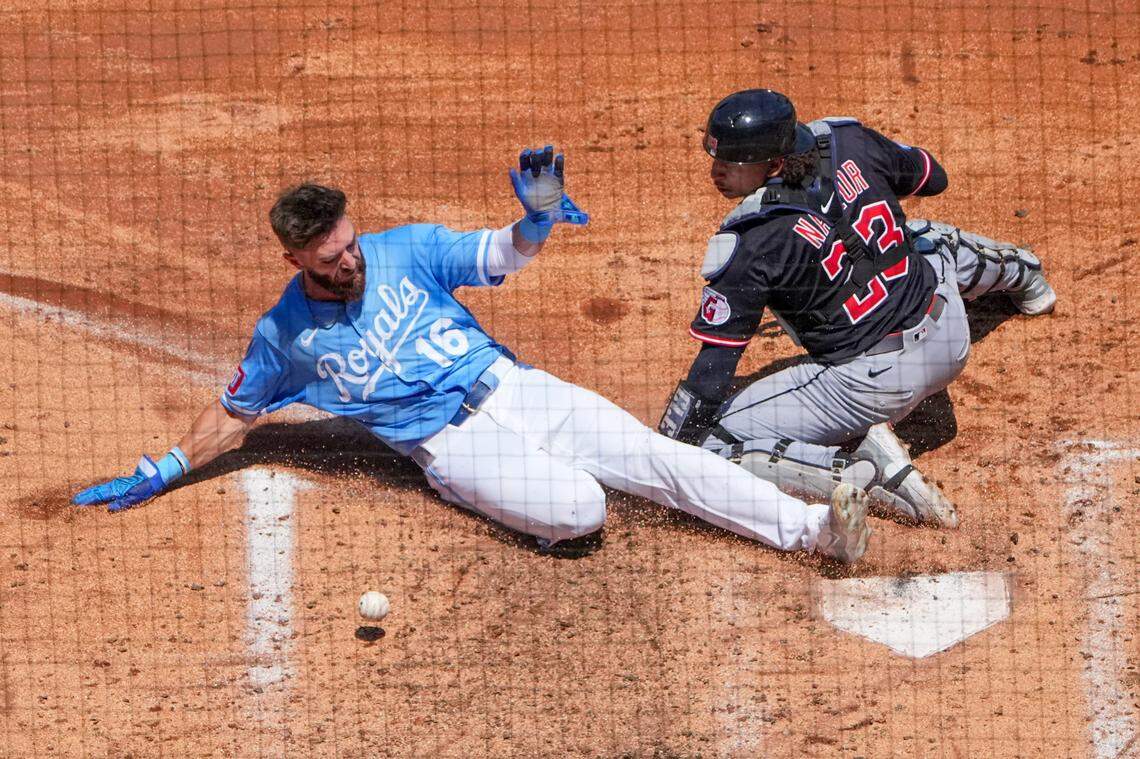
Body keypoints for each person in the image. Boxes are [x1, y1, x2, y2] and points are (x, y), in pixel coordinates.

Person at [72, 146, 873, 564]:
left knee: (653, 457)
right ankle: (476, 491)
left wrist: (537, 218)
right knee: (580, 512)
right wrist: (169, 465)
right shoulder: (284, 337)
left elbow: (499, 254)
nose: (348, 264)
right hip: (453, 443)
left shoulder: (407, 249)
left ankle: (813, 532)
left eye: (349, 246)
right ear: (295, 264)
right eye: (329, 262)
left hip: (515, 387)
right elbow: (235, 413)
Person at [658, 89, 1056, 528]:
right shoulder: (847, 141)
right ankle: (1024, 275)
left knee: (714, 441)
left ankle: (864, 473)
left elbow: (713, 373)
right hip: (949, 328)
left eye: (732, 163)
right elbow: (933, 178)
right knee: (924, 237)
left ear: (773, 165)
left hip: (875, 386)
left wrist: (664, 450)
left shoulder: (751, 242)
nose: (717, 173)